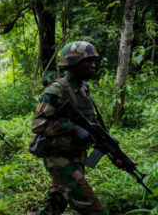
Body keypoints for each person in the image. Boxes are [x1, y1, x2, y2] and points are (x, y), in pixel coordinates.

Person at [30, 41, 106, 215]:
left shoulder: (84, 88)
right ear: (74, 63)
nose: (93, 66)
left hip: (76, 156)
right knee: (93, 209)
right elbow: (37, 125)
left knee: (56, 203)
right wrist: (70, 127)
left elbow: (89, 124)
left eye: (94, 61)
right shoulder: (56, 90)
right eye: (88, 61)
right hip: (59, 159)